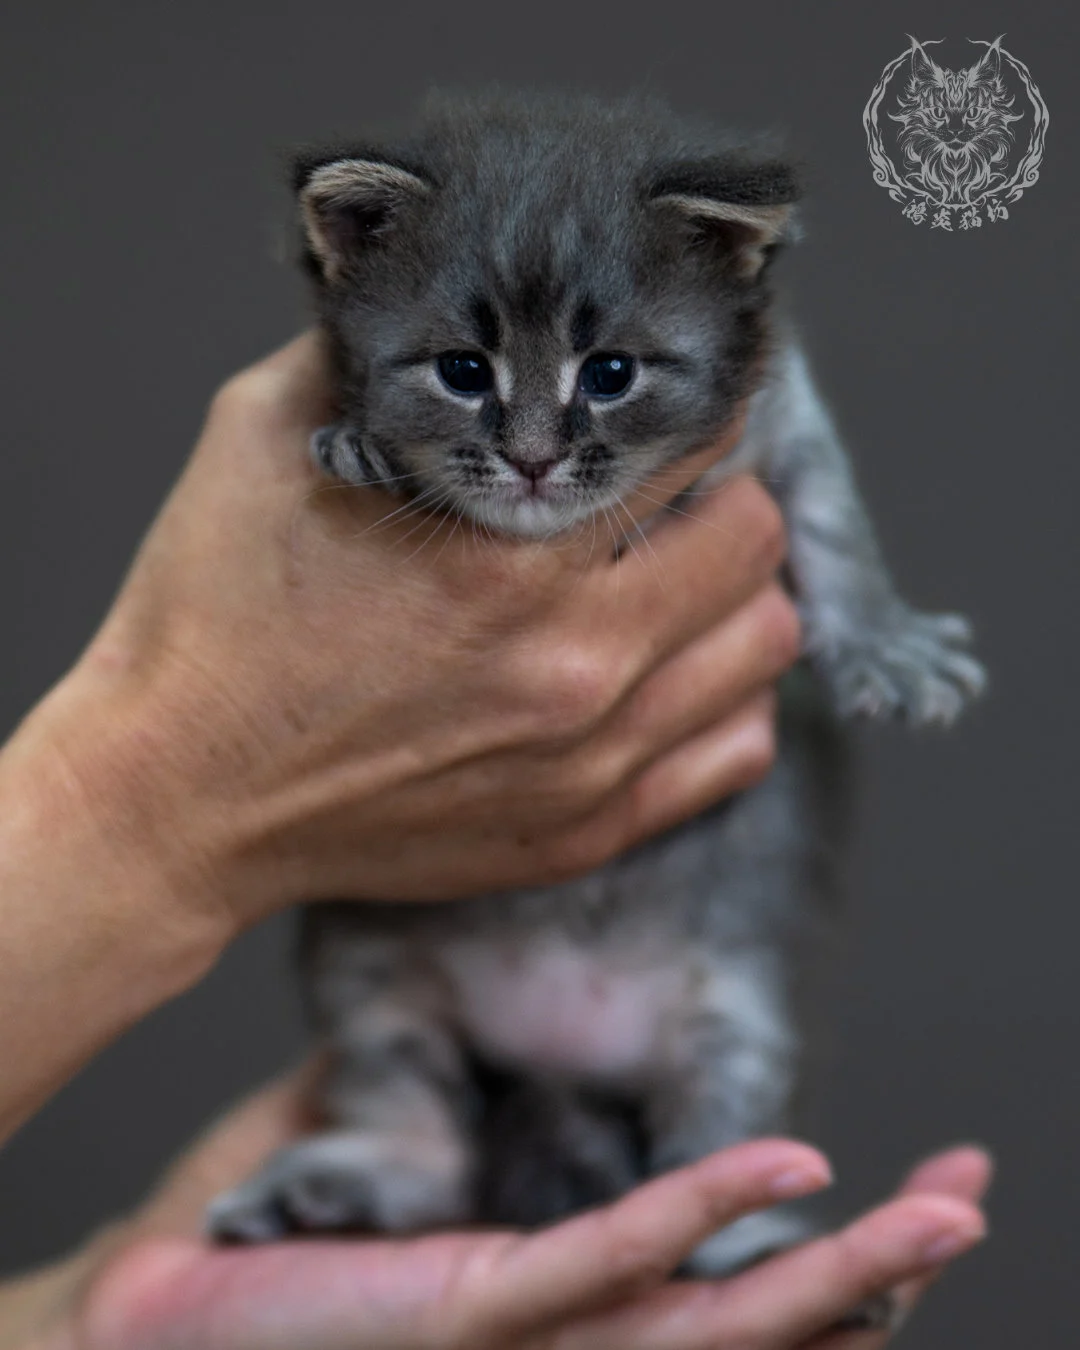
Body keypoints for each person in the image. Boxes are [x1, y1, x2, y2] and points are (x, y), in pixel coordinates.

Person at [0, 334, 988, 1348]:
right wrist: (148, 808)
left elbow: (779, 416)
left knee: (746, 942)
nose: (531, 450)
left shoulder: (724, 358)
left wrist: (90, 1334)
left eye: (605, 377)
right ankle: (403, 1137)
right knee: (372, 936)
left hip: (680, 927)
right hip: (445, 955)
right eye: (466, 373)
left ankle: (717, 1196)